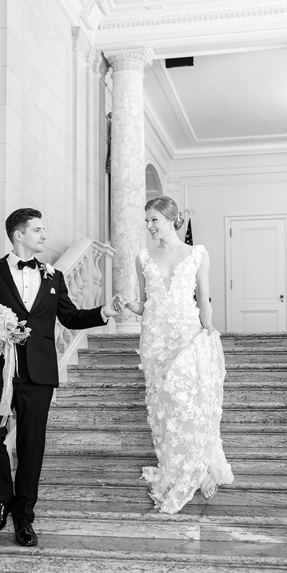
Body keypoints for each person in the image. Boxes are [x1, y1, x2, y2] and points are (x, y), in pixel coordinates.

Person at [0, 209, 107, 548]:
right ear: (19, 235)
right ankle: (4, 498)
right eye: (38, 230)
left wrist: (104, 313)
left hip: (39, 373)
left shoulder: (53, 276)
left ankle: (24, 516)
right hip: (0, 370)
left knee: (32, 446)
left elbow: (70, 317)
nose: (44, 236)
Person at [109, 197, 233, 514]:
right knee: (164, 408)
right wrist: (127, 304)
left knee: (186, 401)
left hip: (187, 334)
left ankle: (200, 467)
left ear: (171, 219)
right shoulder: (143, 258)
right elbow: (145, 303)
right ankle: (179, 468)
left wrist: (208, 329)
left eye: (154, 220)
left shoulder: (196, 254)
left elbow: (204, 297)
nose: (149, 226)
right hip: (154, 339)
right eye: (147, 221)